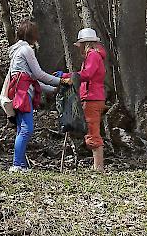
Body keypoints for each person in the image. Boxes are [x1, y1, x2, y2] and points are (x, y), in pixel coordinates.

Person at [6, 21, 70, 172]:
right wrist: (60, 81)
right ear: (32, 35)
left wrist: (53, 88)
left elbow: (31, 80)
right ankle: (17, 164)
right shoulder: (26, 50)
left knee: (22, 129)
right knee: (26, 129)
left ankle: (21, 164)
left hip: (20, 92)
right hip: (22, 94)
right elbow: (38, 74)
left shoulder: (17, 51)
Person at [58, 28, 107, 172]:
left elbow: (87, 74)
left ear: (85, 43)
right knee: (91, 130)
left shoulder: (92, 56)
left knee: (92, 131)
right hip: (92, 97)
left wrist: (68, 76)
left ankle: (99, 168)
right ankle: (97, 166)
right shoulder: (94, 55)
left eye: (80, 44)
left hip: (92, 98)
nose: (79, 47)